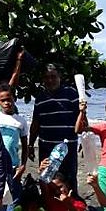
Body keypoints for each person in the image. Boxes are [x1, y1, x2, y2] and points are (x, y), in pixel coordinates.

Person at [28, 64, 79, 193]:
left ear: (59, 77)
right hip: (47, 148)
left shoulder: (71, 93)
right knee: (47, 182)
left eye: (53, 76)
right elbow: (35, 123)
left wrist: (84, 140)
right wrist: (30, 145)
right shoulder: (40, 98)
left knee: (69, 182)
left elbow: (81, 117)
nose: (50, 80)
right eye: (46, 77)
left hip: (68, 148)